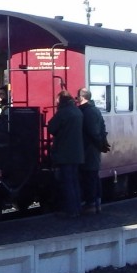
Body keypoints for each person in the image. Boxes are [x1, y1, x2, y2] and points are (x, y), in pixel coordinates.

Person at [47, 90, 84, 218]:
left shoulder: (63, 113)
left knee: (67, 182)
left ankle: (70, 210)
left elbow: (51, 127)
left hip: (65, 153)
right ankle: (77, 208)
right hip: (77, 153)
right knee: (75, 182)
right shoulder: (77, 111)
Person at [78, 88, 110, 215]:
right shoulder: (95, 110)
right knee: (93, 176)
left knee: (89, 176)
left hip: (89, 149)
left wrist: (99, 144)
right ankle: (96, 203)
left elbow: (92, 132)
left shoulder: (87, 112)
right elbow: (101, 128)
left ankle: (91, 204)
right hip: (94, 148)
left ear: (81, 97)